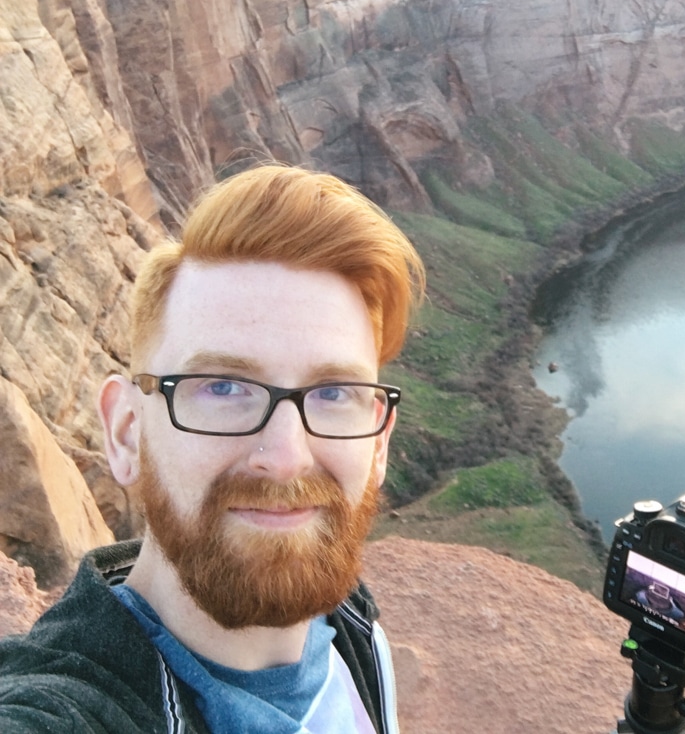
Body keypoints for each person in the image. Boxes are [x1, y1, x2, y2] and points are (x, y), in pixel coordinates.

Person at [0, 165, 425, 734]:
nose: (285, 456)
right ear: (127, 432)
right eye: (223, 387)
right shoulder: (63, 713)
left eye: (332, 393)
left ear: (378, 444)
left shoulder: (352, 627)